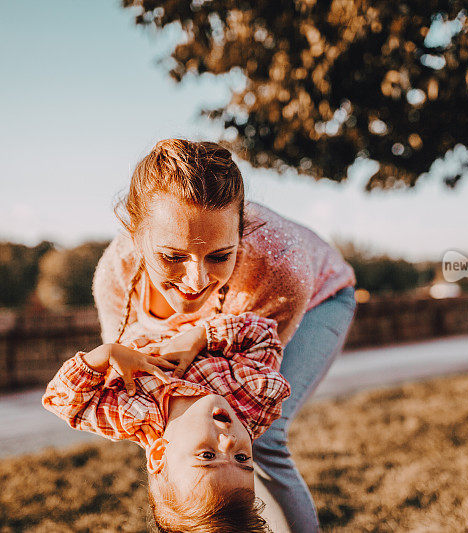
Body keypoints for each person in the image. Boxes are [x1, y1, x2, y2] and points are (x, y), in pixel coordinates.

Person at [93, 138, 357, 532]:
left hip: (320, 298)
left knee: (259, 437)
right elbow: (142, 391)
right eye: (172, 256)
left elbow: (253, 363)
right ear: (135, 235)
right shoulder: (115, 279)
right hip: (232, 321)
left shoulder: (280, 268)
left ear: (241, 231)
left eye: (219, 256)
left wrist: (201, 334)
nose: (195, 281)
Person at [43, 311, 288, 532]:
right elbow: (265, 336)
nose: (228, 442)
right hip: (203, 295)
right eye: (242, 458)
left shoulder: (132, 412)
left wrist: (106, 354)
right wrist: (204, 335)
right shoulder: (255, 400)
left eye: (207, 456)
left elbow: (62, 401)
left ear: (160, 454)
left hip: (142, 308)